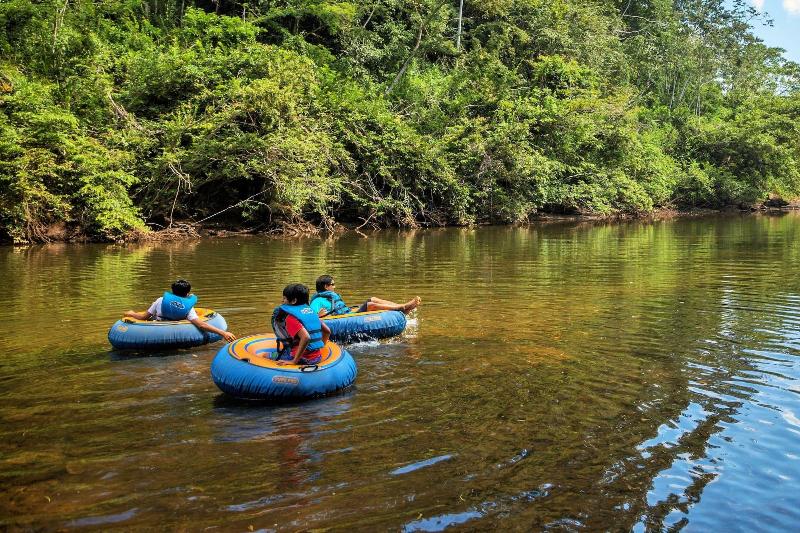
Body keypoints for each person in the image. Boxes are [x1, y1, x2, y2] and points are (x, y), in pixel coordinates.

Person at [123, 279, 236, 342]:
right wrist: (223, 333)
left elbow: (144, 317)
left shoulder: (160, 300)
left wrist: (132, 313)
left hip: (155, 329)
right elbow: (201, 325)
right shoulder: (188, 307)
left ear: (172, 291)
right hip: (177, 334)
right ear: (187, 293)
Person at [272, 283, 331, 365]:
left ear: (294, 301)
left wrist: (294, 361)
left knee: (267, 355)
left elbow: (306, 337)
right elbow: (327, 331)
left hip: (303, 359)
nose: (282, 301)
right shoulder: (312, 312)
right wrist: (320, 346)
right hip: (317, 357)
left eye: (284, 298)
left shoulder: (290, 318)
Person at [310, 274, 421, 317]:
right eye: (333, 284)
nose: (334, 287)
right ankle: (402, 308)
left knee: (373, 299)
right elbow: (309, 317)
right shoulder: (317, 301)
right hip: (345, 318)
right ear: (326, 286)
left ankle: (401, 306)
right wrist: (318, 315)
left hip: (347, 313)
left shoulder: (330, 297)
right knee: (370, 305)